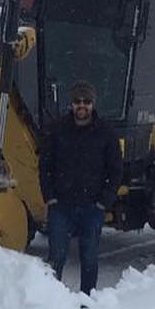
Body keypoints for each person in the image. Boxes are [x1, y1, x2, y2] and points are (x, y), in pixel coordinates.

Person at [39, 80, 122, 297]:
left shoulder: (105, 133)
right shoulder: (57, 130)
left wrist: (104, 201)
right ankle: (50, 300)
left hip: (91, 208)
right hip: (61, 207)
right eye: (77, 101)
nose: (82, 106)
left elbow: (115, 170)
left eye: (86, 101)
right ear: (72, 104)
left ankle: (88, 300)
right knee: (56, 257)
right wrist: (49, 197)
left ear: (93, 104)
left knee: (89, 257)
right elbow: (45, 165)